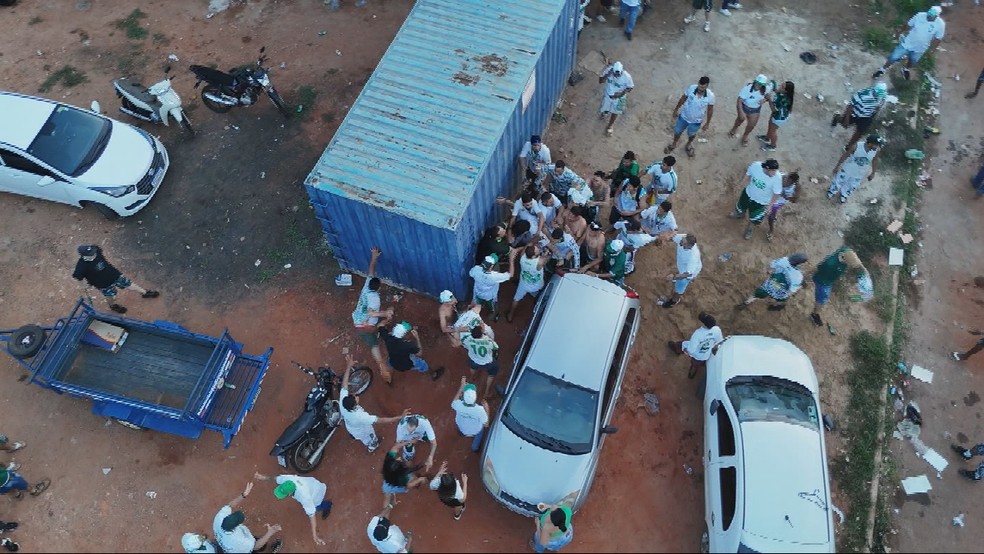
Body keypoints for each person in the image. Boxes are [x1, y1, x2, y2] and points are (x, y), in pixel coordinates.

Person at [340, 352, 409, 452]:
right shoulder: (360, 416)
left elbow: (344, 384)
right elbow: (381, 420)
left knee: (355, 432)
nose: (356, 396)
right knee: (369, 437)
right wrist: (399, 417)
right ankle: (372, 445)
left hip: (351, 426)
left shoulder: (343, 402)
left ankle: (356, 436)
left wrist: (348, 367)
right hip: (362, 430)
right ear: (355, 406)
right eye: (355, 398)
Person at [72, 245, 159, 314]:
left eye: (93, 252)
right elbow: (78, 279)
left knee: (129, 284)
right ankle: (113, 306)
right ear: (84, 256)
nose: (94, 254)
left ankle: (145, 292)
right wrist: (85, 287)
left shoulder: (96, 250)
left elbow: (98, 251)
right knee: (111, 297)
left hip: (114, 274)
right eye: (91, 254)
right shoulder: (81, 267)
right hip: (104, 284)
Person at [352, 247, 396, 384]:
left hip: (357, 323)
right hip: (367, 325)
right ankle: (383, 368)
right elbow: (371, 313)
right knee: (375, 344)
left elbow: (370, 271)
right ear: (379, 287)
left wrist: (374, 257)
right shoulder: (375, 298)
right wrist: (385, 313)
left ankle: (381, 364)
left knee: (373, 343)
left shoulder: (367, 286)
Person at [254, 472, 332, 547]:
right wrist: (263, 477)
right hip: (311, 483)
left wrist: (314, 535)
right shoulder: (287, 480)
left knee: (317, 507)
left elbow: (312, 515)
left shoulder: (304, 497)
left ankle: (328, 505)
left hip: (316, 493)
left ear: (290, 493)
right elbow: (275, 479)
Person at [872, 6, 945, 81]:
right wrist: (899, 32)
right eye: (928, 15)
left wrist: (932, 50)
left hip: (921, 48)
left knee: (913, 60)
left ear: (936, 16)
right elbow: (908, 25)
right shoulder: (919, 15)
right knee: (893, 57)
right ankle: (883, 69)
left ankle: (905, 69)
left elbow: (938, 38)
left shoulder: (940, 25)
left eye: (931, 16)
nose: (928, 17)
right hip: (908, 43)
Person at [212, 481, 282, 554]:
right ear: (234, 527)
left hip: (224, 543)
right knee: (258, 548)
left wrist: (243, 495)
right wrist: (270, 533)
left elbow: (229, 506)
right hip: (238, 549)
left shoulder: (219, 518)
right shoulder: (238, 540)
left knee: (261, 544)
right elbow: (255, 547)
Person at [808, 247, 870, 327]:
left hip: (827, 280)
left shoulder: (846, 251)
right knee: (822, 300)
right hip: (823, 282)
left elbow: (857, 262)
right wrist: (807, 274)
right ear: (845, 260)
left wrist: (865, 270)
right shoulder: (830, 264)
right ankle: (814, 315)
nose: (851, 267)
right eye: (850, 265)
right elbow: (817, 268)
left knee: (821, 297)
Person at [729, 159, 783, 240]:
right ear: (766, 168)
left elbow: (777, 193)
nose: (774, 173)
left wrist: (770, 205)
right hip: (748, 193)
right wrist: (740, 184)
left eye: (775, 170)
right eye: (773, 171)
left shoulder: (777, 178)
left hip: (761, 202)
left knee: (754, 218)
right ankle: (740, 214)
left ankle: (750, 229)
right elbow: (748, 174)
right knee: (741, 206)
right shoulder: (756, 166)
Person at [738, 253, 809, 311]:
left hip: (769, 286)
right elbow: (791, 291)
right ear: (800, 263)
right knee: (782, 300)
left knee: (756, 295)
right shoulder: (798, 276)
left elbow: (771, 265)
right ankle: (774, 307)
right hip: (781, 293)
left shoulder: (783, 260)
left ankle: (745, 303)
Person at [666, 76, 715, 158]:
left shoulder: (710, 96)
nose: (700, 88)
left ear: (707, 86)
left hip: (696, 121)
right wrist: (676, 109)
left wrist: (707, 123)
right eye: (699, 85)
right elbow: (683, 99)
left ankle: (688, 144)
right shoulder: (691, 88)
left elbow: (710, 110)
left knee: (692, 134)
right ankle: (674, 143)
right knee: (677, 131)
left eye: (702, 87)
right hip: (683, 117)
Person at [828, 135, 884, 204]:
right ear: (870, 143)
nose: (877, 146)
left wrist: (873, 173)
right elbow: (845, 155)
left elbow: (875, 161)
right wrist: (837, 166)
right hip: (847, 170)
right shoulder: (857, 146)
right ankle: (832, 191)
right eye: (876, 145)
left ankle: (844, 195)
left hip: (859, 173)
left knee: (851, 185)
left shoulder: (876, 151)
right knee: (839, 181)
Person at [832, 83, 887, 151]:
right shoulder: (862, 93)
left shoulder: (882, 97)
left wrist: (873, 117)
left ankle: (849, 146)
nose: (878, 97)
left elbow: (878, 107)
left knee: (860, 132)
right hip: (855, 113)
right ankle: (837, 117)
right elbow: (850, 106)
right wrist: (847, 119)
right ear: (874, 91)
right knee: (845, 124)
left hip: (866, 116)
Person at [667, 312, 724, 378]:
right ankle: (693, 371)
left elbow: (691, 350)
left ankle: (676, 350)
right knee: (698, 363)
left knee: (682, 345)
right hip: (706, 355)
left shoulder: (698, 334)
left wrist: (686, 350)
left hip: (696, 354)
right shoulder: (717, 330)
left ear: (704, 324)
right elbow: (719, 341)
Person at [381, 438, 429, 511]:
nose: (399, 458)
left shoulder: (389, 463)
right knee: (387, 496)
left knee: (387, 494)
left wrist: (409, 441)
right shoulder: (402, 478)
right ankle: (384, 517)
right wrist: (420, 479)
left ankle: (384, 517)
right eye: (399, 461)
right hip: (394, 485)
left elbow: (395, 447)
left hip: (388, 480)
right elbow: (409, 485)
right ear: (400, 470)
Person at [507, 244, 550, 323]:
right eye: (537, 250)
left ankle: (510, 315)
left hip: (523, 284)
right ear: (533, 256)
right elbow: (547, 258)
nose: (538, 249)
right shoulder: (539, 262)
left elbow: (527, 246)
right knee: (539, 297)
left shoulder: (522, 257)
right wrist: (547, 253)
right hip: (537, 286)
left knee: (516, 299)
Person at [469, 251, 517, 322]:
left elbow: (471, 273)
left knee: (475, 306)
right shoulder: (494, 276)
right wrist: (511, 260)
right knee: (493, 309)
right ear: (491, 266)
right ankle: (495, 316)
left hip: (477, 294)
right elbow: (511, 275)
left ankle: (473, 314)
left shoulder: (476, 269)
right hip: (490, 298)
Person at [728, 75, 773, 146]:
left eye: (761, 84)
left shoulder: (766, 88)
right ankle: (734, 129)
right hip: (745, 107)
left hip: (755, 110)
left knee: (751, 125)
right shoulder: (747, 88)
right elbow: (739, 100)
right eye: (757, 83)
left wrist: (764, 100)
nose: (758, 85)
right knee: (740, 120)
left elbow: (770, 92)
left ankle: (745, 135)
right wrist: (741, 112)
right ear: (754, 82)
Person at [450, 377, 491, 452]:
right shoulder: (480, 410)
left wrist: (461, 387)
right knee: (479, 431)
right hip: (475, 430)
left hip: (462, 429)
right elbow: (486, 425)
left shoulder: (457, 404)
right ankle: (475, 448)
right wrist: (487, 408)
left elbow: (454, 401)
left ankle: (462, 434)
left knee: (461, 426)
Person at [662, 233, 702, 309]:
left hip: (687, 274)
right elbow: (672, 237)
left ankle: (674, 301)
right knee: (679, 277)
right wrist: (665, 239)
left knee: (678, 290)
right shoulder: (682, 238)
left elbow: (687, 274)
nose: (680, 242)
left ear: (688, 245)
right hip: (683, 268)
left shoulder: (692, 257)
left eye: (682, 242)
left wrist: (674, 276)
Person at [460, 326, 499, 401]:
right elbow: (496, 347)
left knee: (472, 368)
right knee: (491, 374)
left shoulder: (468, 340)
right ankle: (486, 393)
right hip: (488, 363)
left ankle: (472, 378)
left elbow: (462, 342)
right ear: (481, 333)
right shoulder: (487, 341)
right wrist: (487, 336)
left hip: (474, 361)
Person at [598, 61, 634, 136]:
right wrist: (607, 75)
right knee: (605, 107)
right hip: (608, 95)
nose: (617, 76)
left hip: (620, 98)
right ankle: (605, 112)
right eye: (615, 74)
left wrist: (621, 93)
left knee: (615, 112)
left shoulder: (627, 76)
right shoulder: (608, 71)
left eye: (618, 74)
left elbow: (630, 88)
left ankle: (610, 125)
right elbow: (600, 81)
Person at [758, 80, 794, 152]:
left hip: (779, 117)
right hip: (777, 114)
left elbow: (774, 109)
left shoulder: (783, 100)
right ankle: (767, 138)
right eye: (781, 85)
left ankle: (773, 146)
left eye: (782, 87)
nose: (780, 87)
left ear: (786, 91)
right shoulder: (781, 93)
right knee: (770, 125)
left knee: (772, 131)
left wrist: (769, 99)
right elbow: (775, 90)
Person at [765, 171, 800, 242]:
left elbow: (795, 200)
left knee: (771, 217)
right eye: (786, 179)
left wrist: (785, 196)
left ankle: (771, 231)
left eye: (789, 182)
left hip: (778, 203)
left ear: (794, 183)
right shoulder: (779, 176)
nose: (786, 182)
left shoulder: (797, 187)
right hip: (769, 197)